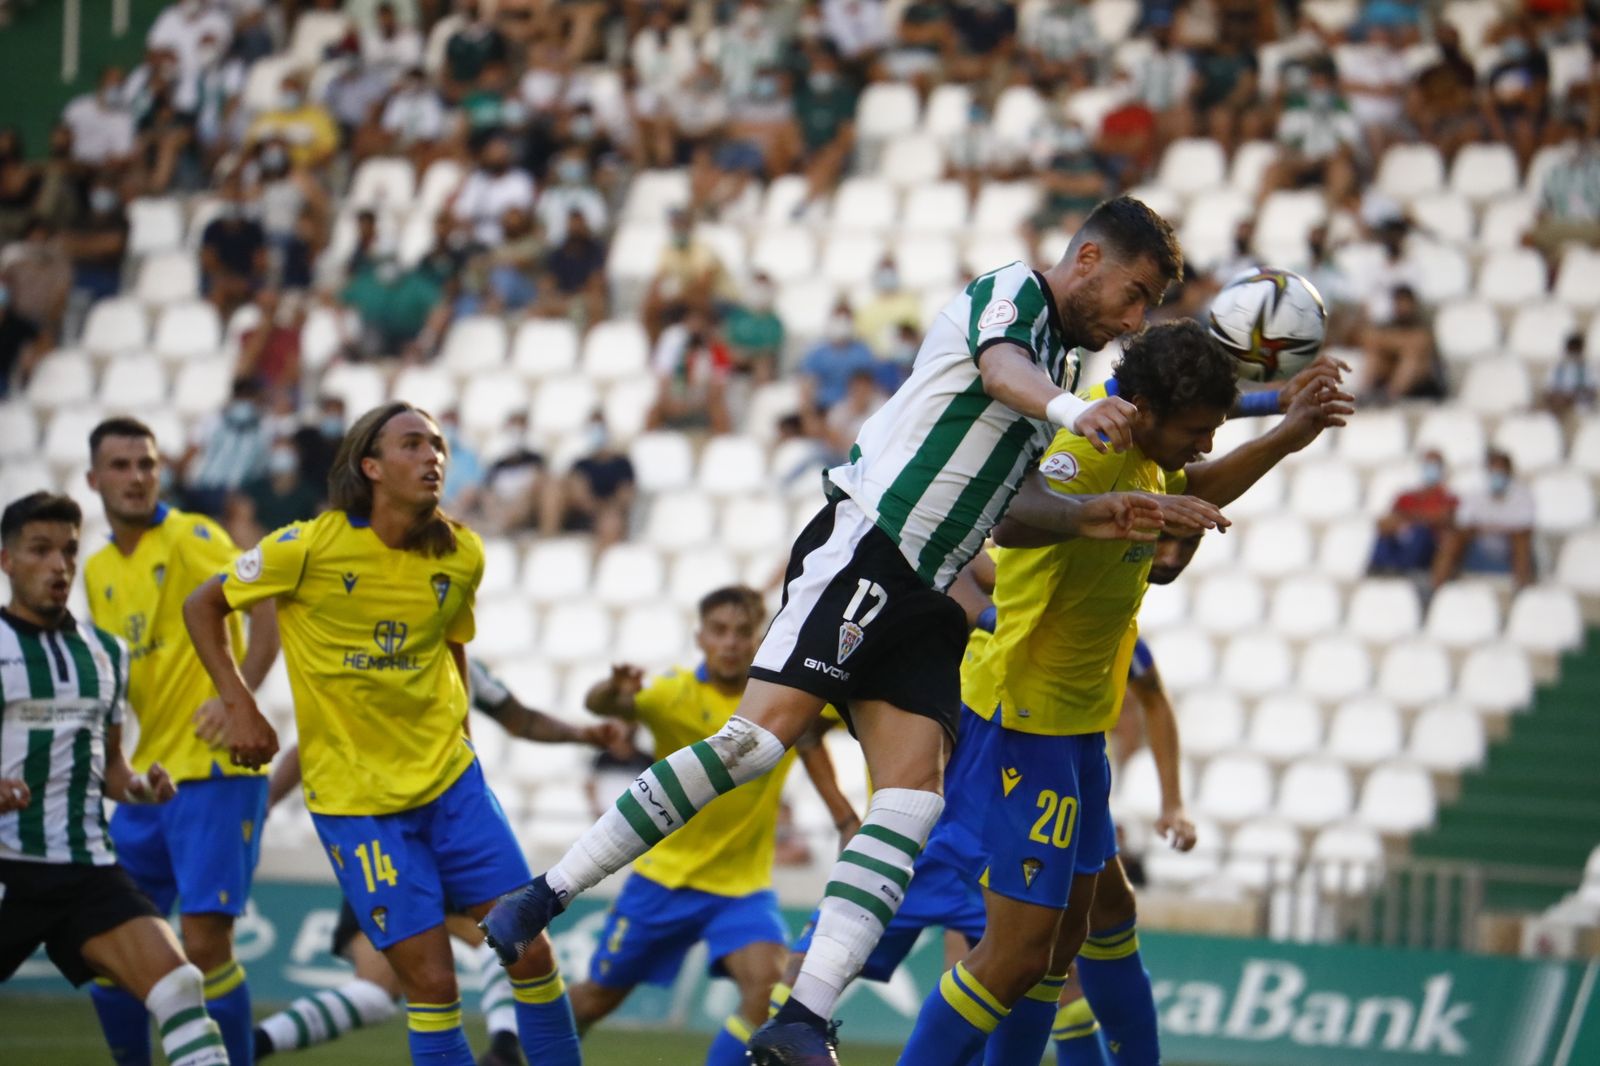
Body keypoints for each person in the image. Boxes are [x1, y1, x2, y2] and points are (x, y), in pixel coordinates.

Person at [480, 197, 1210, 1066]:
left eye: (1148, 306)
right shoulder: (1011, 298)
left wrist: (1096, 512)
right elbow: (1000, 371)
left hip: (933, 588)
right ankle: (542, 893)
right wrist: (1064, 412)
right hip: (870, 544)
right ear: (1087, 257)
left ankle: (803, 1019)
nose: (1134, 320)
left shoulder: (1059, 359)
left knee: (910, 797)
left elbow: (1008, 510)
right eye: (1133, 294)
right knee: (758, 742)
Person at [897, 320, 1350, 1066]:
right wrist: (1097, 516)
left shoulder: (1148, 453)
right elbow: (1012, 514)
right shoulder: (1093, 448)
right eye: (1196, 429)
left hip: (1075, 726)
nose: (1204, 443)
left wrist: (1283, 433)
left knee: (1073, 933)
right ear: (1143, 411)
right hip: (1024, 717)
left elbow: (1192, 482)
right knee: (1014, 953)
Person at [185, 401, 583, 1066]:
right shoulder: (304, 547)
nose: (433, 456)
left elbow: (451, 648)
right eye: (412, 444)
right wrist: (240, 703)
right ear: (370, 466)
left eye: (437, 445)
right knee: (431, 983)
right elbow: (204, 603)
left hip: (454, 789)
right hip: (360, 808)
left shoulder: (461, 554)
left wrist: (462, 736)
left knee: (532, 951)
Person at [252, 658, 625, 1064]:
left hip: (447, 822)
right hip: (378, 831)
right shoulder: (346, 653)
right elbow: (314, 739)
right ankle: (253, 1045)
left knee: (515, 946)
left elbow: (518, 718)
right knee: (387, 991)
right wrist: (267, 800)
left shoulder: (450, 654)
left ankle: (503, 1050)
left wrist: (581, 734)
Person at [567, 587, 855, 1066]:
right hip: (665, 879)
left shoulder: (787, 700)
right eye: (719, 631)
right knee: (597, 998)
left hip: (741, 888)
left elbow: (825, 727)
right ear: (700, 637)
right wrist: (613, 692)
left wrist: (844, 814)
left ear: (760, 638)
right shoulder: (672, 694)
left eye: (743, 633)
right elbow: (603, 705)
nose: (731, 643)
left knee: (766, 989)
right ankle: (515, 1049)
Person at [0, 491, 233, 1066]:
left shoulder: (105, 654)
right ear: (6, 560)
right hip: (7, 864)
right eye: (40, 550)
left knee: (180, 985)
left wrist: (139, 788)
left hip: (86, 870)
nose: (59, 565)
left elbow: (109, 766)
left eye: (69, 551)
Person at [81, 417, 281, 1066]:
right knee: (111, 947)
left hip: (217, 777)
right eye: (120, 466)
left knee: (204, 945)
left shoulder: (193, 536)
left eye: (146, 463)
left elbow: (267, 606)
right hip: (150, 781)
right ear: (93, 480)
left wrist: (236, 697)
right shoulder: (98, 569)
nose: (136, 477)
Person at [1431, 449, 1537, 591]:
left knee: (1521, 540)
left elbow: (1524, 527)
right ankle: (1438, 590)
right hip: (1478, 548)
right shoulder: (1475, 495)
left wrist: (1487, 527)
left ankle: (1521, 592)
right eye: (1493, 470)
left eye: (1500, 471)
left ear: (1509, 472)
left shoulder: (1523, 495)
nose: (1496, 475)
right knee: (1453, 538)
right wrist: (1494, 527)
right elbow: (1463, 523)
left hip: (1508, 550)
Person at [539, 416, 635, 549]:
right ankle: (547, 543)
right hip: (581, 512)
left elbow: (625, 495)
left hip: (607, 512)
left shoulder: (621, 463)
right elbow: (574, 491)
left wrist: (601, 507)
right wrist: (584, 500)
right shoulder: (580, 464)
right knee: (553, 489)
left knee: (611, 522)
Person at [1368, 450, 1458, 575]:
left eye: (1434, 465)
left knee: (1420, 532)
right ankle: (1380, 568)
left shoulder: (1447, 498)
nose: (1430, 469)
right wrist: (1420, 518)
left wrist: (1412, 517)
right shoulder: (1405, 497)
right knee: (1384, 537)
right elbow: (1387, 521)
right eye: (1427, 464)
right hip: (1403, 540)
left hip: (1428, 546)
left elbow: (1444, 519)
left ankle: (1402, 570)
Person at [1544, 334, 1596, 416]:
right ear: (1567, 349)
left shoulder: (1588, 368)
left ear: (1581, 350)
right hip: (1559, 405)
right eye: (1571, 350)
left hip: (1579, 405)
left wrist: (1574, 396)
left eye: (1576, 350)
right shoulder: (1557, 368)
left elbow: (1592, 391)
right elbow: (1548, 391)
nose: (1573, 354)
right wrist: (1561, 396)